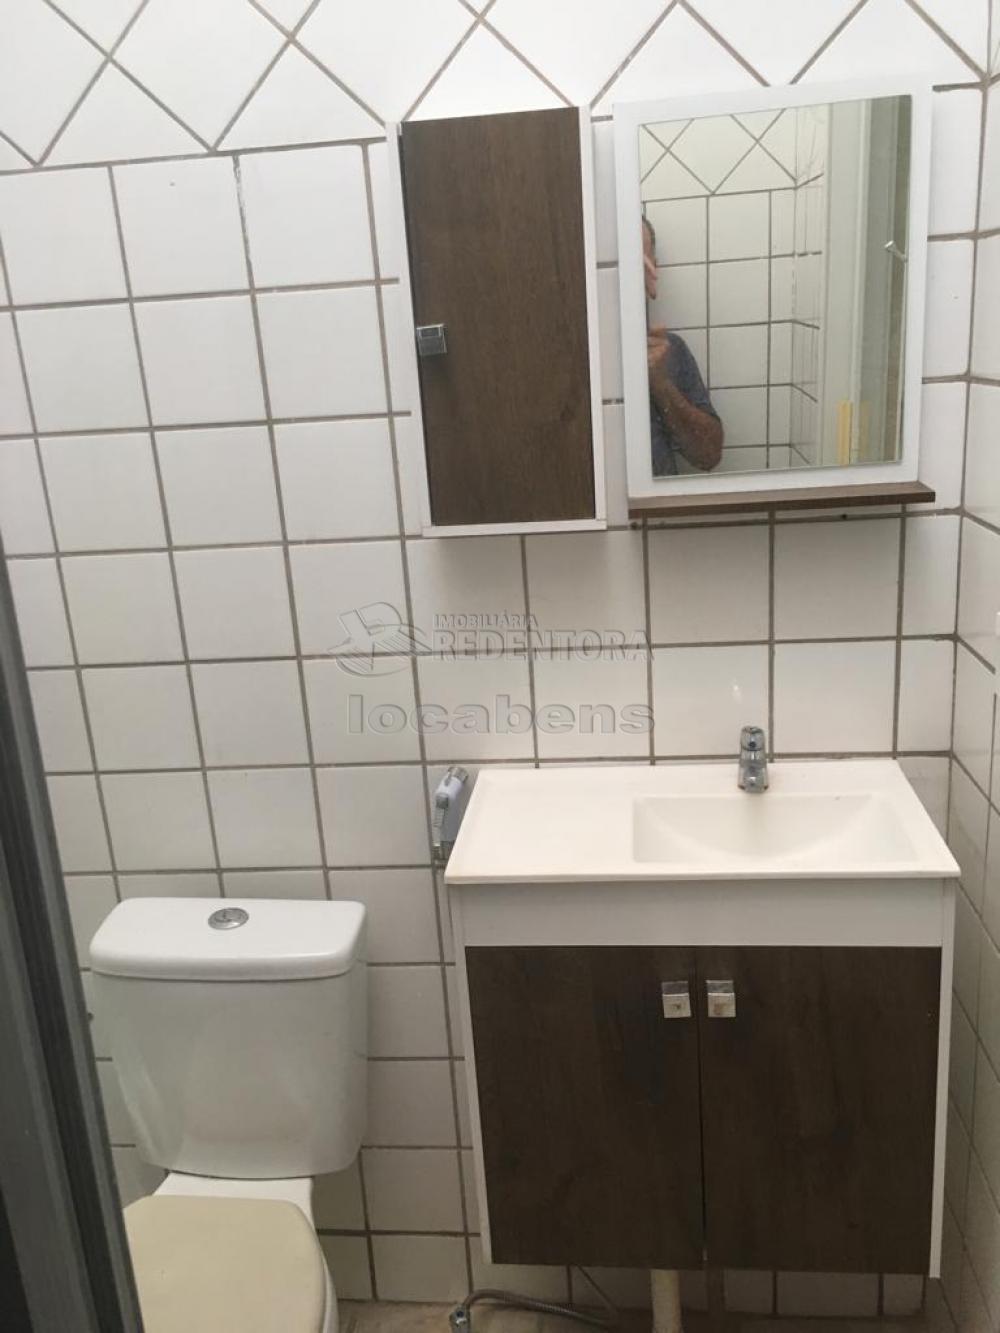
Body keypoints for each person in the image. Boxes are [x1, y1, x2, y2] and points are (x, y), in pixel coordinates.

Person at [643, 216, 723, 475]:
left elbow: (708, 456)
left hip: (657, 502)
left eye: (637, 262)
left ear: (653, 270)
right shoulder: (572, 353)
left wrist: (661, 384)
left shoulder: (670, 350)